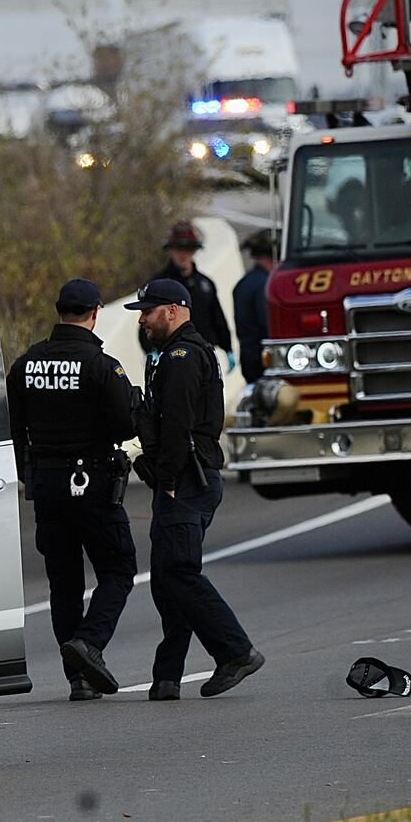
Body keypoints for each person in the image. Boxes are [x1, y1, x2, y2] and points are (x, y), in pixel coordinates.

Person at [125, 278, 264, 701]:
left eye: (149, 311)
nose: (144, 320)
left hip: (187, 480)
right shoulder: (171, 354)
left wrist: (166, 482)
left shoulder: (182, 356)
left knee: (180, 573)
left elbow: (178, 425)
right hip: (185, 478)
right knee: (168, 580)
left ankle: (236, 652)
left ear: (172, 309)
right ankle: (167, 676)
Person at [7, 279, 139, 701]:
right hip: (92, 481)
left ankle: (78, 679)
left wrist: (30, 468)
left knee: (63, 581)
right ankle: (89, 644)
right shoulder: (102, 366)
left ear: (59, 311)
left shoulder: (26, 364)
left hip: (45, 483)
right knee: (118, 569)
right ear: (96, 313)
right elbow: (125, 426)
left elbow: (11, 427)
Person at [146, 220, 233, 362]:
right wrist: (151, 350)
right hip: (170, 355)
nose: (183, 254)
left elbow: (217, 318)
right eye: (179, 248)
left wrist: (228, 348)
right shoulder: (158, 285)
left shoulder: (205, 284)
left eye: (188, 249)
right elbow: (148, 319)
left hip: (203, 354)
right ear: (171, 250)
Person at [232, 229, 276, 385]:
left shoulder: (242, 284)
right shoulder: (266, 286)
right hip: (264, 359)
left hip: (248, 357)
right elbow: (269, 322)